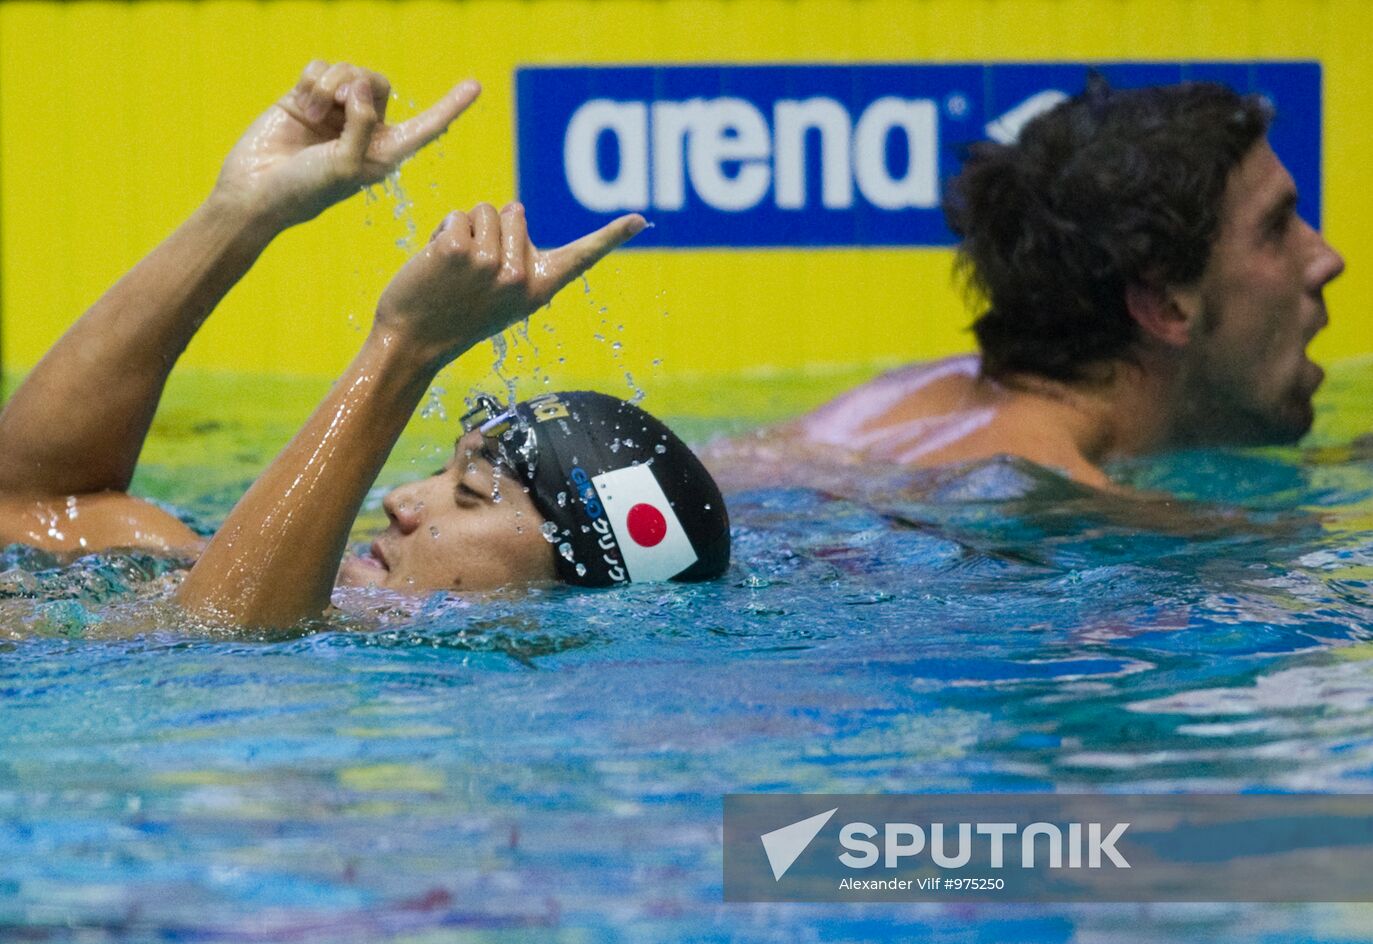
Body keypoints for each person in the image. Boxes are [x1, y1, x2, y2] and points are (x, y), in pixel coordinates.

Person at [0, 61, 729, 630]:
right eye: (445, 472)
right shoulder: (202, 564)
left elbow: (219, 641)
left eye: (469, 495)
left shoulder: (326, 659)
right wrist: (240, 215)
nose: (399, 499)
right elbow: (35, 502)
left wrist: (407, 347)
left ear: (572, 604)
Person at [725, 76, 1345, 491]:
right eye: (1275, 228)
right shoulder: (1044, 494)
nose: (1327, 260)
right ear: (1164, 304)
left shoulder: (919, 400)